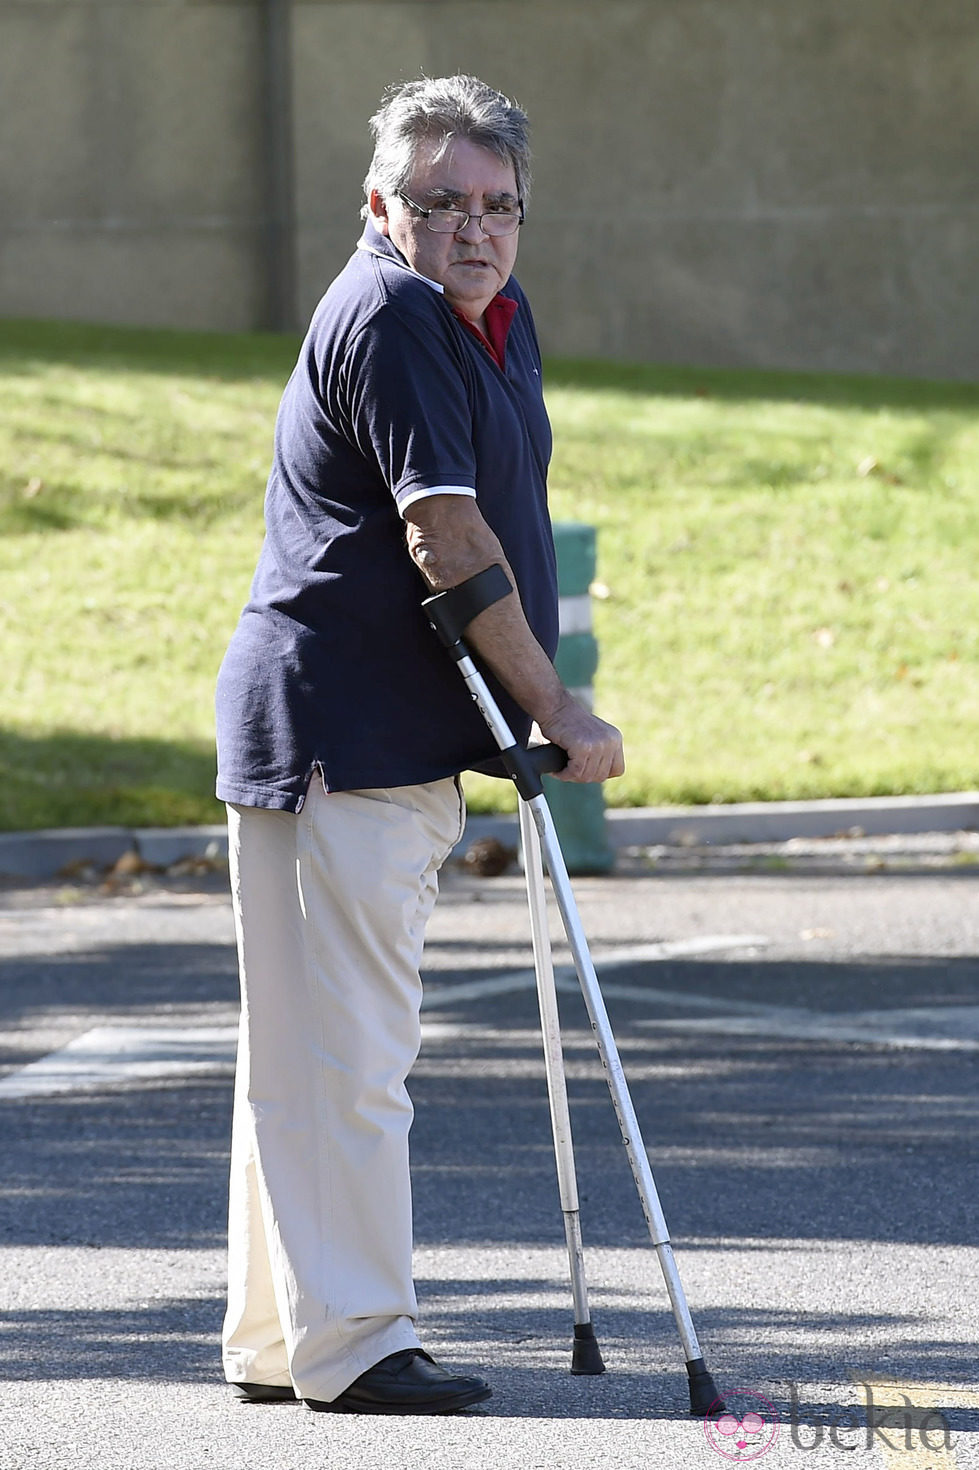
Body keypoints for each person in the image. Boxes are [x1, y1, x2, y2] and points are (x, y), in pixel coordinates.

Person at [214, 73, 624, 1416]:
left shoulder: (490, 322)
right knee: (347, 1051)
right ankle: (359, 1340)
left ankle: (287, 1334)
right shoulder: (389, 311)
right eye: (439, 200)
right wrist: (553, 707)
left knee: (304, 1047)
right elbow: (443, 534)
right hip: (345, 730)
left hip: (356, 728)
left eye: (497, 203)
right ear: (378, 204)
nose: (472, 226)